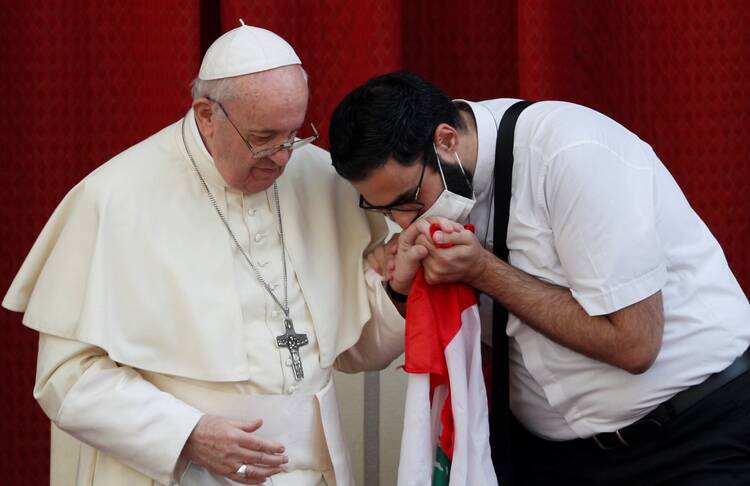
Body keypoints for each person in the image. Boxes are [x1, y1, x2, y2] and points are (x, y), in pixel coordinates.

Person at [2, 23, 409, 486]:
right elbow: (66, 378)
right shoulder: (114, 197)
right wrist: (186, 434)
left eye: (294, 134)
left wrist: (396, 290)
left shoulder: (320, 178)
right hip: (173, 474)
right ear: (205, 116)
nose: (281, 157)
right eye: (263, 137)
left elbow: (356, 350)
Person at [328, 71, 750, 485]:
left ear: (446, 141)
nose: (403, 223)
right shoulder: (427, 188)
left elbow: (635, 345)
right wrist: (402, 290)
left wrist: (483, 271)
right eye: (383, 211)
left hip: (692, 437)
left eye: (407, 203)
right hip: (549, 455)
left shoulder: (571, 152)